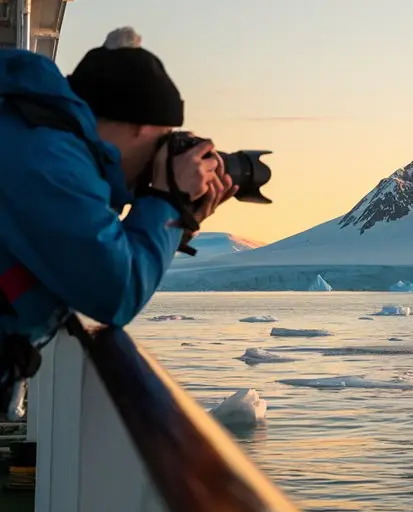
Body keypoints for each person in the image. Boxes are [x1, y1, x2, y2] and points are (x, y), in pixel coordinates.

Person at [0, 27, 236, 418]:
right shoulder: (46, 161)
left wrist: (178, 217)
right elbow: (115, 293)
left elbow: (90, 255)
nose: (163, 156)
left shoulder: (37, 138)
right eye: (163, 141)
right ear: (136, 126)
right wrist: (165, 201)